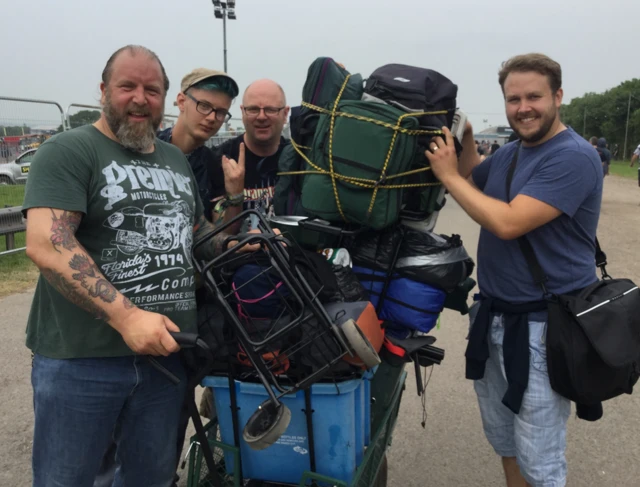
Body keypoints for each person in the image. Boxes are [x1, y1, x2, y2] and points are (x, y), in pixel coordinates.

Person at [23, 44, 260, 487]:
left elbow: (192, 234)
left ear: (165, 97)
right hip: (84, 362)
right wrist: (126, 315)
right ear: (103, 90)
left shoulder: (175, 161)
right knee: (66, 480)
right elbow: (48, 243)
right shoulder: (69, 150)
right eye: (127, 86)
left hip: (164, 358)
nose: (139, 98)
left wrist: (235, 242)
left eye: (151, 89)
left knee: (149, 479)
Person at [425, 53, 603, 487]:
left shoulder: (574, 156)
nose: (523, 107)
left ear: (558, 96)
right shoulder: (511, 154)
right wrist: (465, 135)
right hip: (495, 316)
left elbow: (506, 222)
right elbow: (475, 177)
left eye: (533, 97)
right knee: (505, 439)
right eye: (513, 98)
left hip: (544, 326)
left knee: (541, 460)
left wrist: (447, 178)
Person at [93, 67, 244, 487]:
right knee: (105, 430)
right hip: (121, 306)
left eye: (221, 112)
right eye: (204, 106)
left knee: (168, 414)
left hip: (182, 304)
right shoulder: (139, 143)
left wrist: (235, 197)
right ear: (179, 101)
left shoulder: (215, 164)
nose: (212, 117)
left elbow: (211, 234)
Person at [209, 78, 290, 232]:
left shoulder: (298, 159)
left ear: (285, 113)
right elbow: (219, 234)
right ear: (243, 112)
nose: (261, 116)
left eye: (271, 109)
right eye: (253, 109)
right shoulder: (221, 159)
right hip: (238, 253)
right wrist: (235, 196)